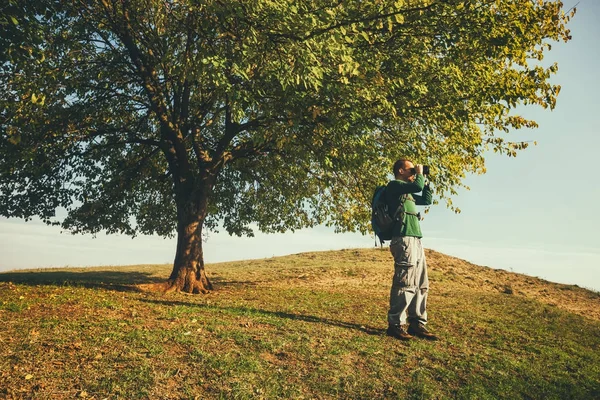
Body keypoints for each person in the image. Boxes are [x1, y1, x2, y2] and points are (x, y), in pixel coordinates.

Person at [385, 159, 438, 341]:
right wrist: (420, 175)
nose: (414, 172)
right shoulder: (394, 186)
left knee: (421, 282)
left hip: (415, 238)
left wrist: (427, 181)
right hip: (403, 237)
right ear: (401, 170)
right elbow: (416, 186)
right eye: (411, 169)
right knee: (405, 281)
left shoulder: (407, 194)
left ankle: (417, 323)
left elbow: (426, 199)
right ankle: (395, 324)